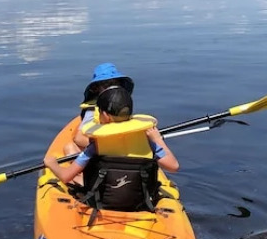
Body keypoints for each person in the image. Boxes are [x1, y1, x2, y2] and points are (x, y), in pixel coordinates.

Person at [44, 86, 180, 212]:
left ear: (105, 116)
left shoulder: (96, 145)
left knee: (77, 178)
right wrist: (157, 140)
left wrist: (52, 164)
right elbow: (173, 166)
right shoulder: (146, 141)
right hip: (139, 206)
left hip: (101, 204)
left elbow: (66, 176)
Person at [70, 62, 136, 152]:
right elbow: (79, 138)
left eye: (115, 84)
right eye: (106, 85)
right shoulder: (93, 111)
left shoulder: (123, 104)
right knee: (69, 148)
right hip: (103, 150)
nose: (111, 88)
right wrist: (106, 148)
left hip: (119, 145)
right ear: (96, 88)